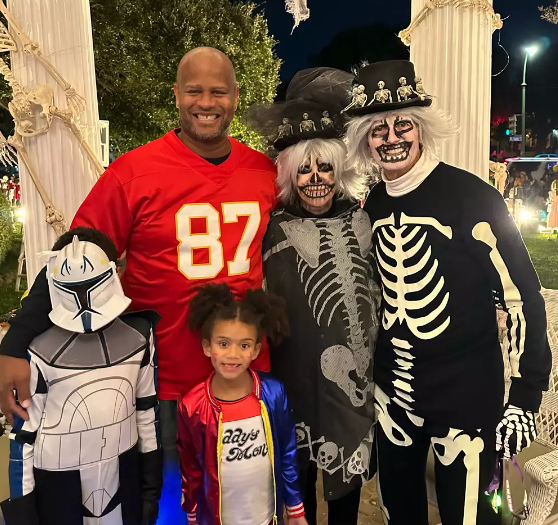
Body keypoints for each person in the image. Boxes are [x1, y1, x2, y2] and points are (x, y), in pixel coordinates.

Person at [0, 46, 277, 524]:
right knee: (169, 503)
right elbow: (76, 256)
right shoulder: (133, 171)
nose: (205, 102)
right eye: (194, 90)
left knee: (240, 503)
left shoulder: (265, 172)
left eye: (217, 91)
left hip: (244, 372)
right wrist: (16, 344)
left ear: (235, 96)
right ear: (176, 95)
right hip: (165, 376)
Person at [344, 60, 551, 524]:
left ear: (422, 130)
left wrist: (524, 394)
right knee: (400, 509)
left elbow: (522, 295)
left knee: (471, 515)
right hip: (392, 391)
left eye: (403, 125)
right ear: (365, 139)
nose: (391, 138)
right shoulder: (373, 203)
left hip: (464, 392)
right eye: (378, 129)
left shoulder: (473, 197)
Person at [247, 68, 381, 524]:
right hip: (293, 378)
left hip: (352, 389)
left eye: (325, 166)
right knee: (295, 489)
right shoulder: (272, 228)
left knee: (344, 497)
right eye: (304, 169)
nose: (316, 178)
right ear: (290, 175)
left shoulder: (365, 222)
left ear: (339, 169)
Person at [0, 227, 162, 525]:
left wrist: (151, 488)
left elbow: (146, 412)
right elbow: (23, 438)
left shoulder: (139, 336)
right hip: (58, 486)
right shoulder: (37, 350)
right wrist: (23, 512)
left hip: (122, 473)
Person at [177, 283, 308, 525]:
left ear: (256, 350)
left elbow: (288, 454)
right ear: (207, 347)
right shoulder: (192, 405)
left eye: (244, 345)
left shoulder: (273, 393)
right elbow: (190, 467)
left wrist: (295, 508)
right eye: (223, 344)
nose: (233, 354)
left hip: (267, 517)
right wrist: (193, 514)